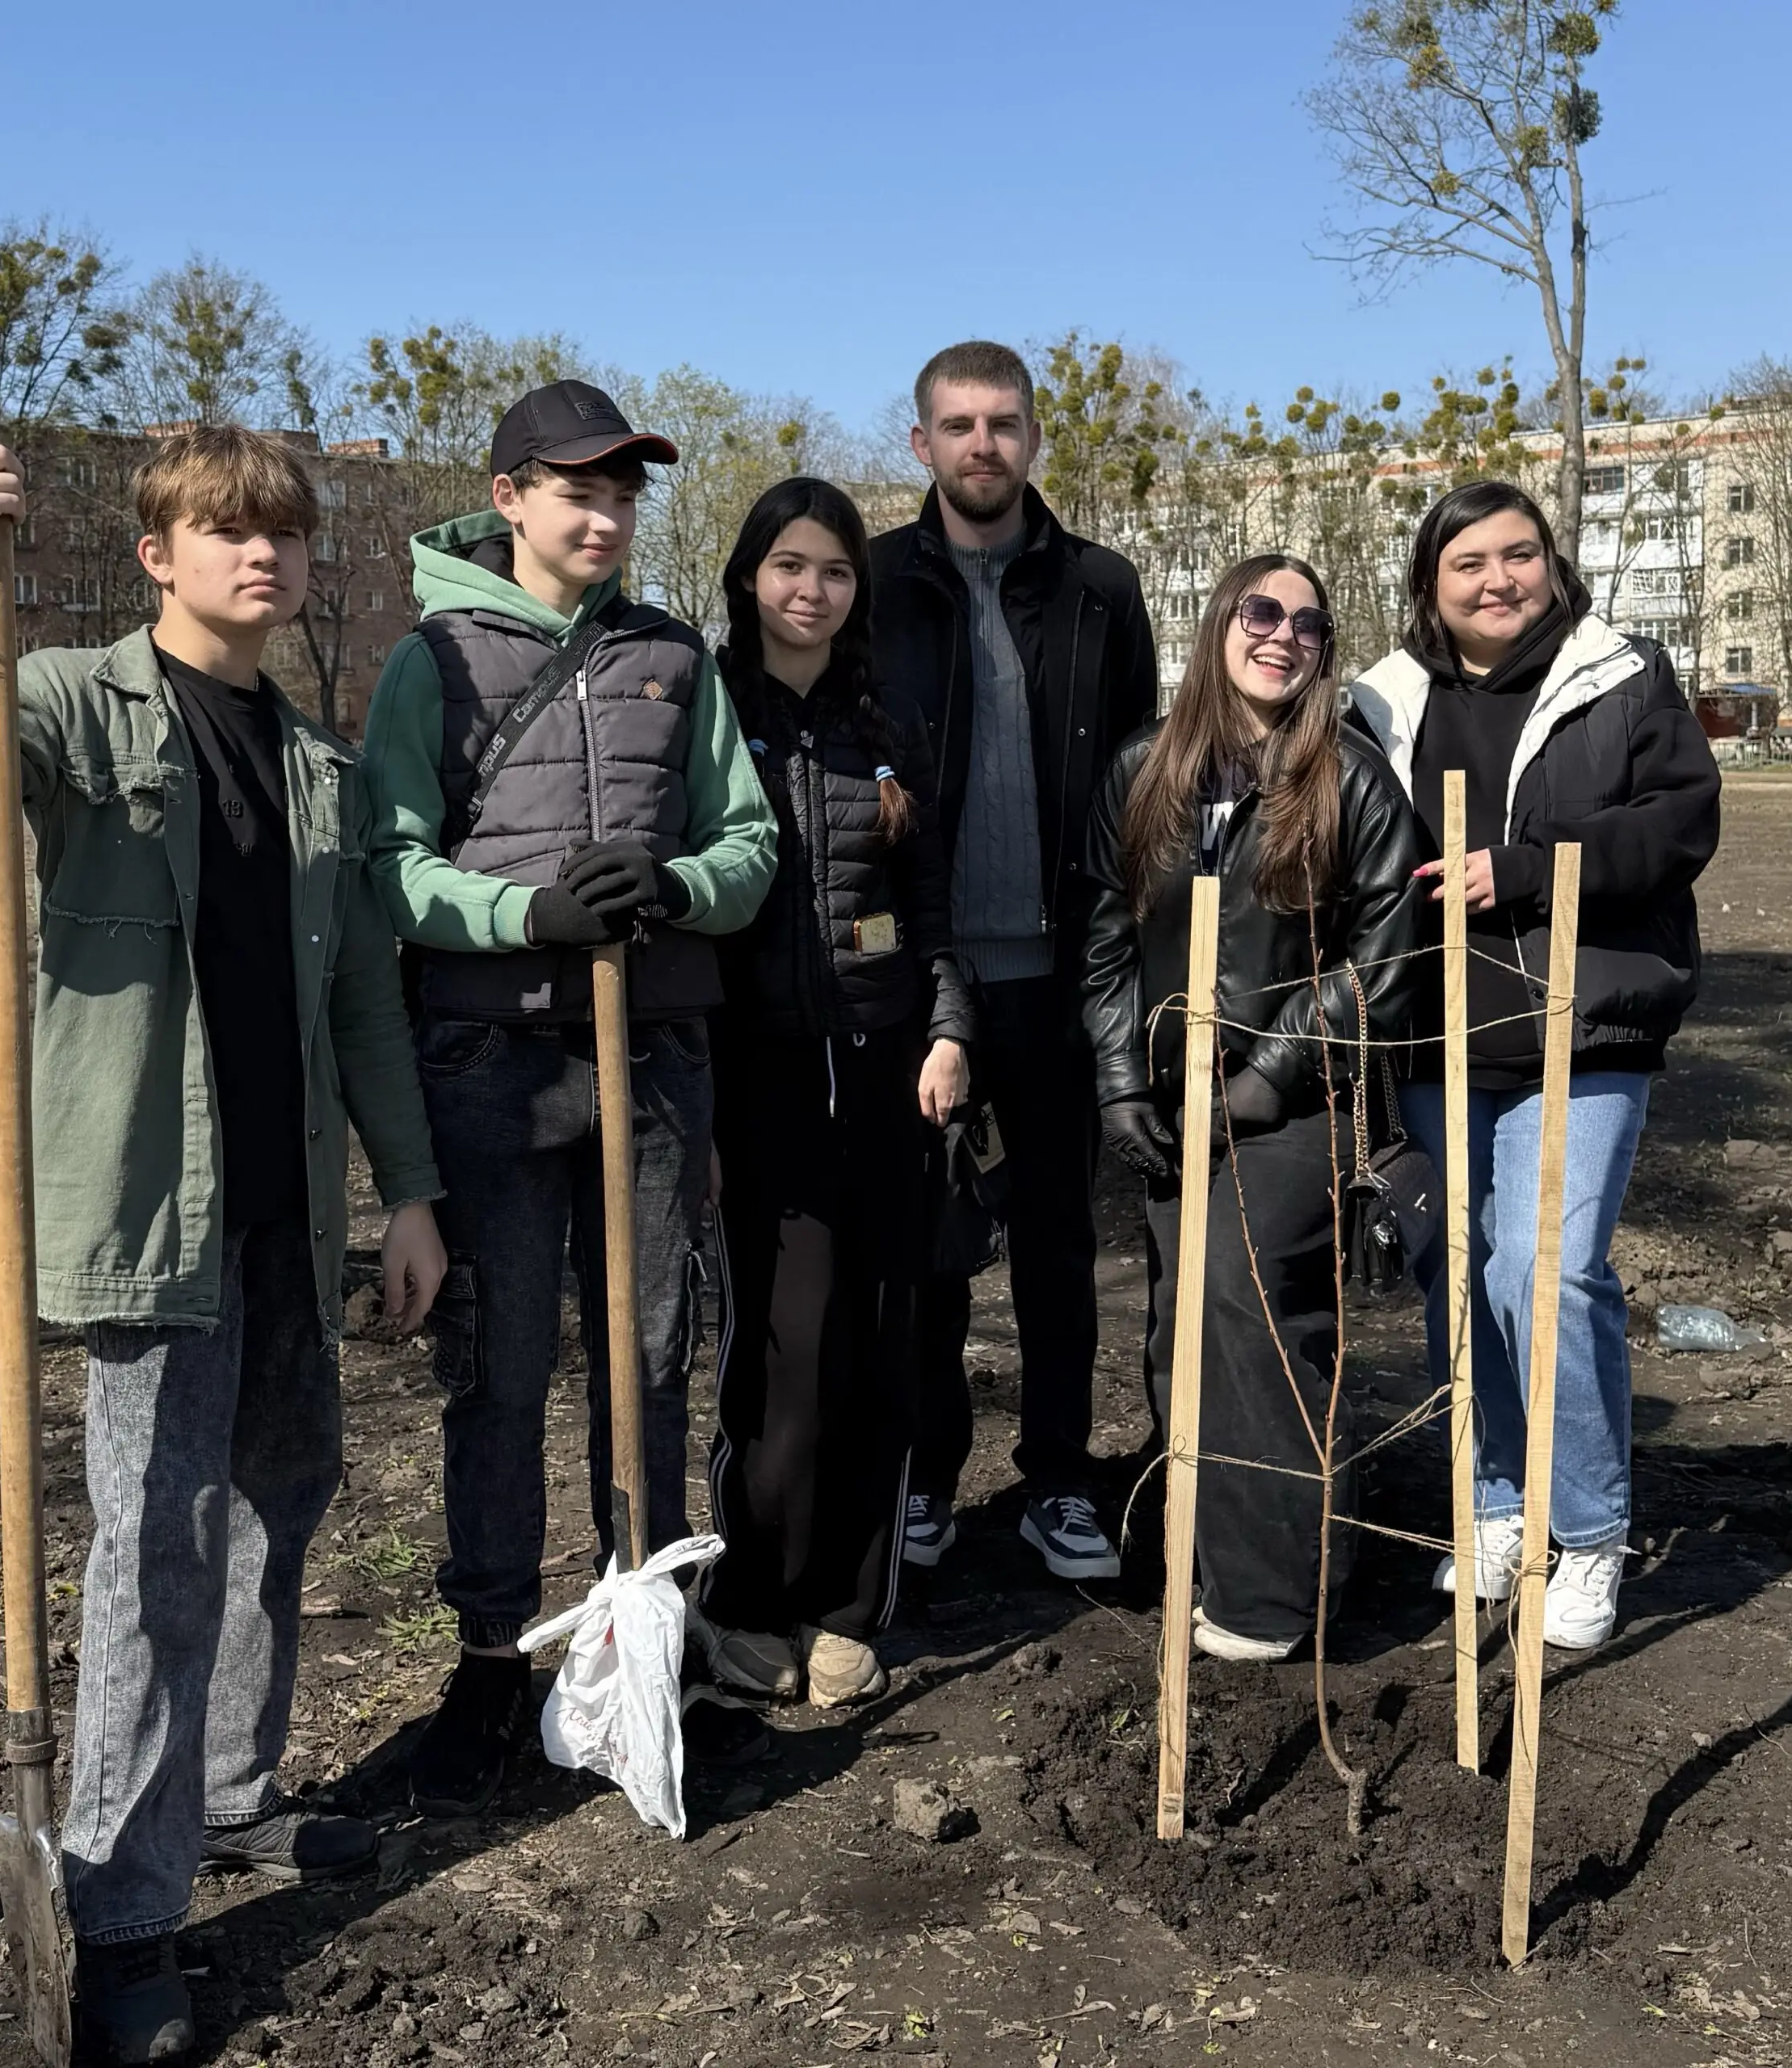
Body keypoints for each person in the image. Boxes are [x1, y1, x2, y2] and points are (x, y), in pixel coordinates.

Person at [0, 430, 448, 2064]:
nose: (262, 555)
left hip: (285, 1206)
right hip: (147, 1200)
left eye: (283, 534)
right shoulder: (68, 700)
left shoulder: (319, 763)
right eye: (225, 530)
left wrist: (405, 1191)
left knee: (280, 1502)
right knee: (156, 1540)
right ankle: (122, 1908)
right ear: (155, 553)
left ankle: (238, 1792)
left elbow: (357, 999)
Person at [363, 380, 778, 1814]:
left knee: (647, 1362)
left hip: (653, 1061)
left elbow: (750, 843)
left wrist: (674, 887)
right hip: (494, 1068)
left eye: (624, 491)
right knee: (494, 1373)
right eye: (575, 487)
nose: (603, 514)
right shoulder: (435, 660)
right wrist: (524, 916)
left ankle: (638, 1647)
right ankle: (487, 1670)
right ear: (511, 497)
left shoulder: (674, 658)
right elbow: (391, 868)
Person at [1348, 480, 1719, 1651]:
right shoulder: (1380, 698)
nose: (1497, 579)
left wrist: (1527, 866)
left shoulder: (1619, 676)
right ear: (1428, 586)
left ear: (1552, 565)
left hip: (1584, 1026)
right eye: (1468, 563)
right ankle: (1499, 1505)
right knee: (1458, 1279)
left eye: (1519, 555)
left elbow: (1682, 821)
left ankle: (1592, 1529)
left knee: (1548, 1273)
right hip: (1437, 1034)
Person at [1083, 553, 1420, 1657]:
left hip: (1296, 1099)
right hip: (1176, 1096)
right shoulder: (1143, 767)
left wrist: (1266, 1074)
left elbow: (1382, 960)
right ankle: (1206, 1552)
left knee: (1248, 1301)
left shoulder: (1350, 778)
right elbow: (1102, 939)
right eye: (1260, 612)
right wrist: (1121, 1083)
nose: (1282, 635)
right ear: (1219, 621)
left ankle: (1278, 1593)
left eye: (1308, 623)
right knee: (1181, 1320)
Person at [869, 340, 1159, 1581]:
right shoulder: (871, 582)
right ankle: (925, 1476)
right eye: (957, 424)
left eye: (1003, 423)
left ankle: (1057, 1478)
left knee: (1054, 1244)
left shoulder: (1100, 588)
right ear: (919, 442)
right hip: (918, 974)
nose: (981, 445)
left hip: (1057, 968)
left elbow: (1142, 780)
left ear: (1033, 437)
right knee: (926, 1244)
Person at [692, 477, 975, 1708]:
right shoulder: (700, 706)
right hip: (751, 1076)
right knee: (779, 1347)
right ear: (748, 574)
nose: (811, 591)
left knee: (879, 1340)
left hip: (886, 1067)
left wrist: (949, 1030)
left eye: (836, 571)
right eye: (790, 566)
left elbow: (927, 905)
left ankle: (854, 1607)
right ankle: (753, 1598)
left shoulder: (886, 719)